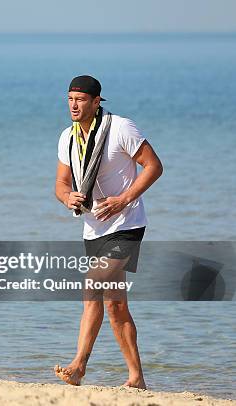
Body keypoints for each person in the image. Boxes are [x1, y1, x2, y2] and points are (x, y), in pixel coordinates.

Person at [54, 75, 163, 389]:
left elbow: (154, 166)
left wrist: (124, 199)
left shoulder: (121, 128)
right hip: (93, 228)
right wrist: (66, 197)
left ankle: (79, 365)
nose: (74, 105)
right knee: (115, 305)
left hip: (127, 224)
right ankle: (137, 377)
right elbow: (60, 183)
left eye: (81, 99)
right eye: (70, 99)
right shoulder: (67, 137)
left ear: (96, 101)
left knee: (92, 286)